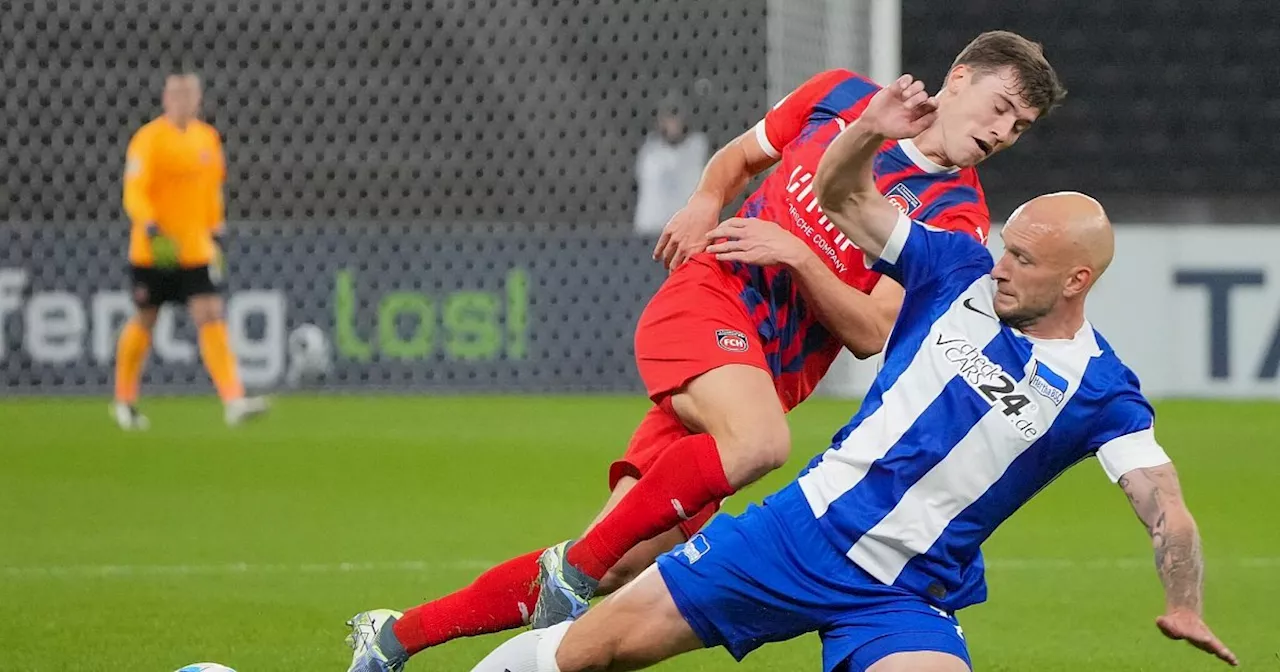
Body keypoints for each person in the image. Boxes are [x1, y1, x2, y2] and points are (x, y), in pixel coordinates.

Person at [465, 73, 1239, 672]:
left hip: (907, 592)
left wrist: (1187, 601)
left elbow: (1163, 505)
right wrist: (869, 130)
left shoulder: (1101, 388)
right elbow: (842, 194)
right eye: (1007, 246)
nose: (1002, 265)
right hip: (799, 535)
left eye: (1025, 261)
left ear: (1075, 282)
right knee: (587, 652)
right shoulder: (954, 267)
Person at [344, 30, 1064, 672]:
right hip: (710, 300)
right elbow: (741, 156)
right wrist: (702, 200)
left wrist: (797, 257)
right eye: (1001, 107)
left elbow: (874, 332)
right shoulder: (840, 94)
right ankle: (570, 579)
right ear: (960, 78)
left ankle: (394, 637)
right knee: (757, 444)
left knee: (616, 562)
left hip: (759, 375)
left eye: (1021, 126)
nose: (1004, 132)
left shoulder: (958, 219)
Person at [111, 71, 268, 429]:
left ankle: (233, 399)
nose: (183, 101)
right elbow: (134, 190)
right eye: (176, 94)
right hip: (156, 250)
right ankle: (124, 398)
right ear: (166, 99)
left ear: (198, 100)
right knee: (145, 318)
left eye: (189, 95)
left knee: (211, 314)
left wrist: (216, 228)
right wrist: (148, 224)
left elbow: (212, 189)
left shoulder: (207, 139)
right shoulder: (148, 140)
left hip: (196, 249)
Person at [632, 91, 711, 235]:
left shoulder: (696, 147)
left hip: (686, 231)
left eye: (676, 116)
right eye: (668, 117)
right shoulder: (650, 150)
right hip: (651, 229)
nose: (672, 123)